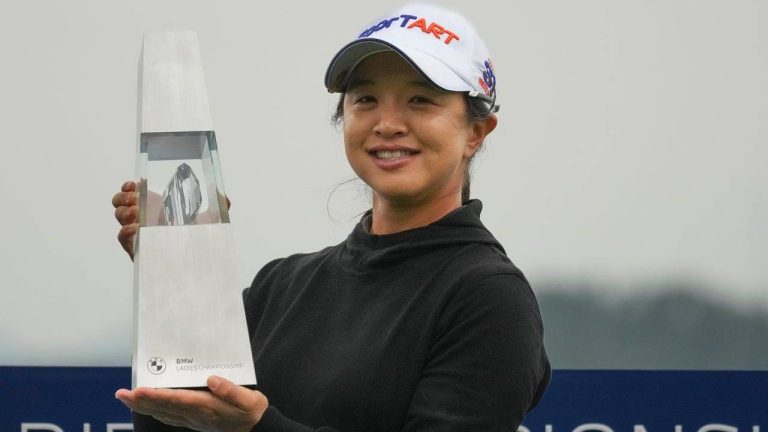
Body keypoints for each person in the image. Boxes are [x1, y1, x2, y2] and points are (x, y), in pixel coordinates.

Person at [112, 3, 550, 431]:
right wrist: (177, 273)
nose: (388, 123)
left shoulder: (488, 298)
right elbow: (173, 423)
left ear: (476, 131)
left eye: (421, 99)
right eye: (366, 99)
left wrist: (256, 428)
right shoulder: (280, 287)